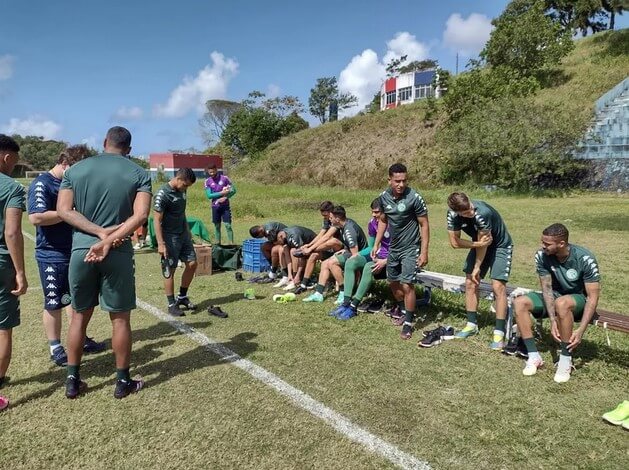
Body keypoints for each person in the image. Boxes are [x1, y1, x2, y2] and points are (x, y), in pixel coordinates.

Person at [57, 126, 152, 399]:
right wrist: (109, 238)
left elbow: (64, 211)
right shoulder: (138, 173)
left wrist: (98, 234)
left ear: (104, 143)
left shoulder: (75, 170)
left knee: (78, 317)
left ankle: (73, 380)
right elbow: (141, 214)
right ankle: (123, 382)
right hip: (117, 251)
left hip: (81, 251)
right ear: (129, 149)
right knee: (120, 319)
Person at [28, 145, 106, 367]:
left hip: (73, 250)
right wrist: (67, 214)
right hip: (51, 253)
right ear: (65, 163)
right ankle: (55, 347)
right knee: (54, 302)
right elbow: (36, 217)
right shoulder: (42, 183)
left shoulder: (69, 183)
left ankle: (80, 339)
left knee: (76, 298)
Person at [513, 223, 601, 383]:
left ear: (561, 244)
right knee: (520, 303)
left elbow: (593, 297)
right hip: (555, 298)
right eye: (542, 242)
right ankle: (533, 356)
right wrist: (553, 320)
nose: (543, 246)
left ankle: (566, 360)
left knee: (562, 303)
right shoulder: (541, 255)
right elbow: (546, 288)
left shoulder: (585, 258)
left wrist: (581, 330)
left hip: (577, 300)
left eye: (547, 244)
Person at [446, 192, 513, 350]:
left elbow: (486, 242)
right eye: (466, 212)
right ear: (457, 212)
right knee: (470, 282)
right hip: (480, 244)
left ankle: (499, 331)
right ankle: (471, 325)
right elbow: (455, 243)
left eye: (470, 207)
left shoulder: (482, 213)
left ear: (469, 199)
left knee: (498, 286)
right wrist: (475, 245)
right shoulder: (452, 215)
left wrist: (477, 267)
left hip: (500, 246)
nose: (471, 212)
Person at [372, 163, 429, 340]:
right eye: (397, 181)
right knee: (392, 282)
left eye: (404, 181)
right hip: (393, 248)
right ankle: (404, 309)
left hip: (411, 247)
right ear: (389, 180)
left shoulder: (414, 198)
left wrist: (424, 251)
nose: (401, 184)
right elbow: (383, 220)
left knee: (407, 284)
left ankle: (408, 323)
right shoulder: (383, 198)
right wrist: (377, 243)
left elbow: (424, 224)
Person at [0, 135, 27, 412]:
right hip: (1, 263)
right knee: (3, 327)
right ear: (7, 157)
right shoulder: (12, 188)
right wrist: (20, 271)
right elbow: (12, 232)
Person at [331, 198, 391, 319]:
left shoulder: (394, 224)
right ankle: (346, 303)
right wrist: (357, 254)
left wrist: (385, 260)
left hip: (392, 258)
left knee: (369, 267)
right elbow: (371, 247)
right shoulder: (373, 223)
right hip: (379, 255)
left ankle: (354, 306)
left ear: (385, 212)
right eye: (372, 212)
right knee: (351, 262)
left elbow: (401, 249)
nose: (373, 215)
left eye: (377, 212)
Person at [303, 206, 368, 309]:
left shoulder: (348, 230)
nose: (329, 219)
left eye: (331, 217)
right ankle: (318, 294)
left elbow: (355, 254)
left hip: (361, 256)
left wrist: (345, 254)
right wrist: (345, 250)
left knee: (332, 262)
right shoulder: (343, 225)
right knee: (325, 263)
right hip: (351, 252)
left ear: (337, 219)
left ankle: (344, 292)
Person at [153, 168, 198, 317]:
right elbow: (156, 221)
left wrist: (187, 230)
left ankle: (182, 297)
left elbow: (181, 211)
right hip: (169, 237)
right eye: (185, 185)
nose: (186, 188)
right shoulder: (162, 194)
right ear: (178, 179)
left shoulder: (183, 190)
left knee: (192, 264)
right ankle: (171, 304)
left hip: (183, 234)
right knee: (169, 270)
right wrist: (161, 243)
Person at [293, 201, 344, 293]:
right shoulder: (326, 220)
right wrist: (309, 245)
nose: (325, 218)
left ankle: (306, 252)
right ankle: (304, 284)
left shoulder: (336, 220)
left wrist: (311, 248)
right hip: (329, 248)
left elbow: (326, 237)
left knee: (331, 241)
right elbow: (321, 234)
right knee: (313, 255)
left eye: (326, 216)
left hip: (340, 248)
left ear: (331, 212)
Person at [204, 163, 236, 245]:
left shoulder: (225, 178)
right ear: (208, 172)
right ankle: (218, 244)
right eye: (210, 172)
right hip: (215, 206)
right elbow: (209, 195)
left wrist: (226, 197)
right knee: (217, 226)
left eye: (213, 172)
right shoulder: (207, 181)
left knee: (228, 225)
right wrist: (221, 193)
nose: (212, 174)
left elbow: (234, 190)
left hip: (225, 206)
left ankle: (231, 244)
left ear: (216, 170)